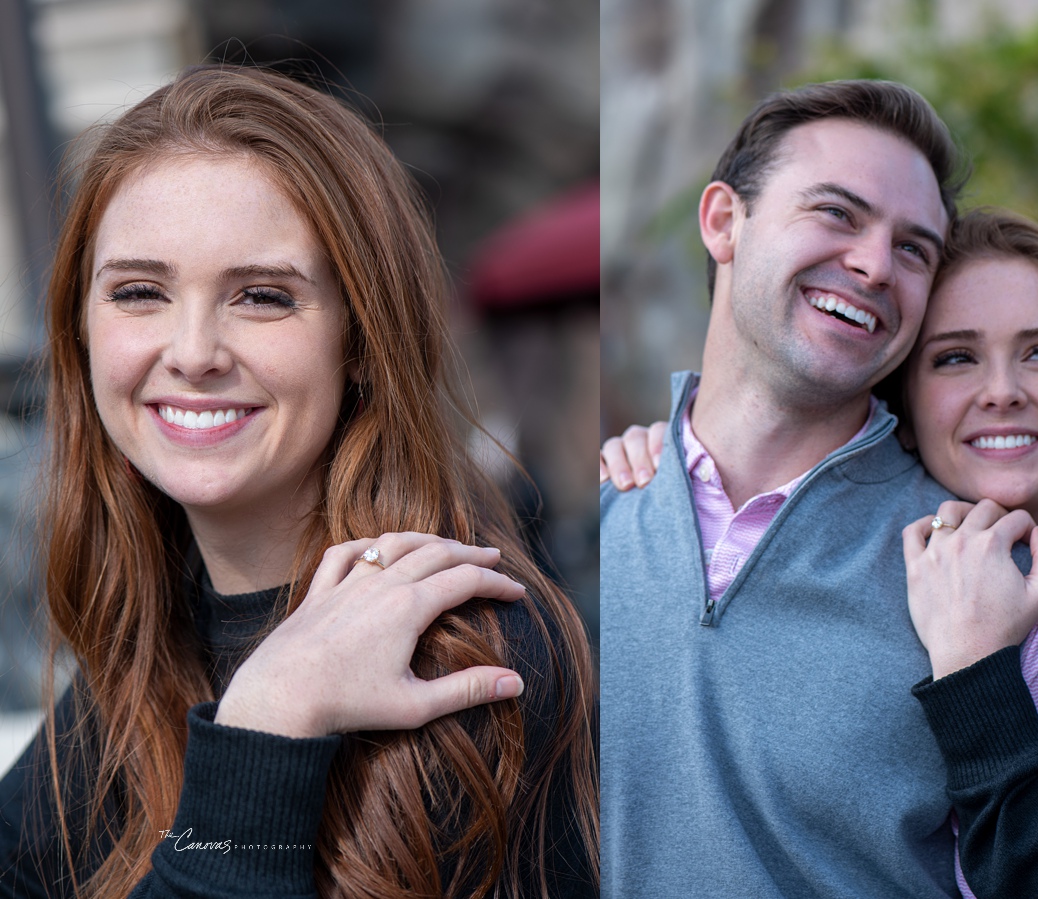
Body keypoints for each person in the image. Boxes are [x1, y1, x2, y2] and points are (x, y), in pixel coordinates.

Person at [0, 65, 597, 899]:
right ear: (81, 327)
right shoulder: (123, 683)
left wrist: (263, 735)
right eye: (140, 292)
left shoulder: (476, 666)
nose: (194, 350)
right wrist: (271, 711)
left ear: (358, 336)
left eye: (262, 297)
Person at [603, 208, 1038, 896]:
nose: (1002, 390)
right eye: (955, 357)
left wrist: (977, 671)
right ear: (905, 411)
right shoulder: (889, 564)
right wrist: (674, 471)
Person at [600, 79, 998, 897]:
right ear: (723, 222)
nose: (874, 264)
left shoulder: (976, 570)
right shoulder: (588, 513)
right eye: (837, 214)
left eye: (914, 249)